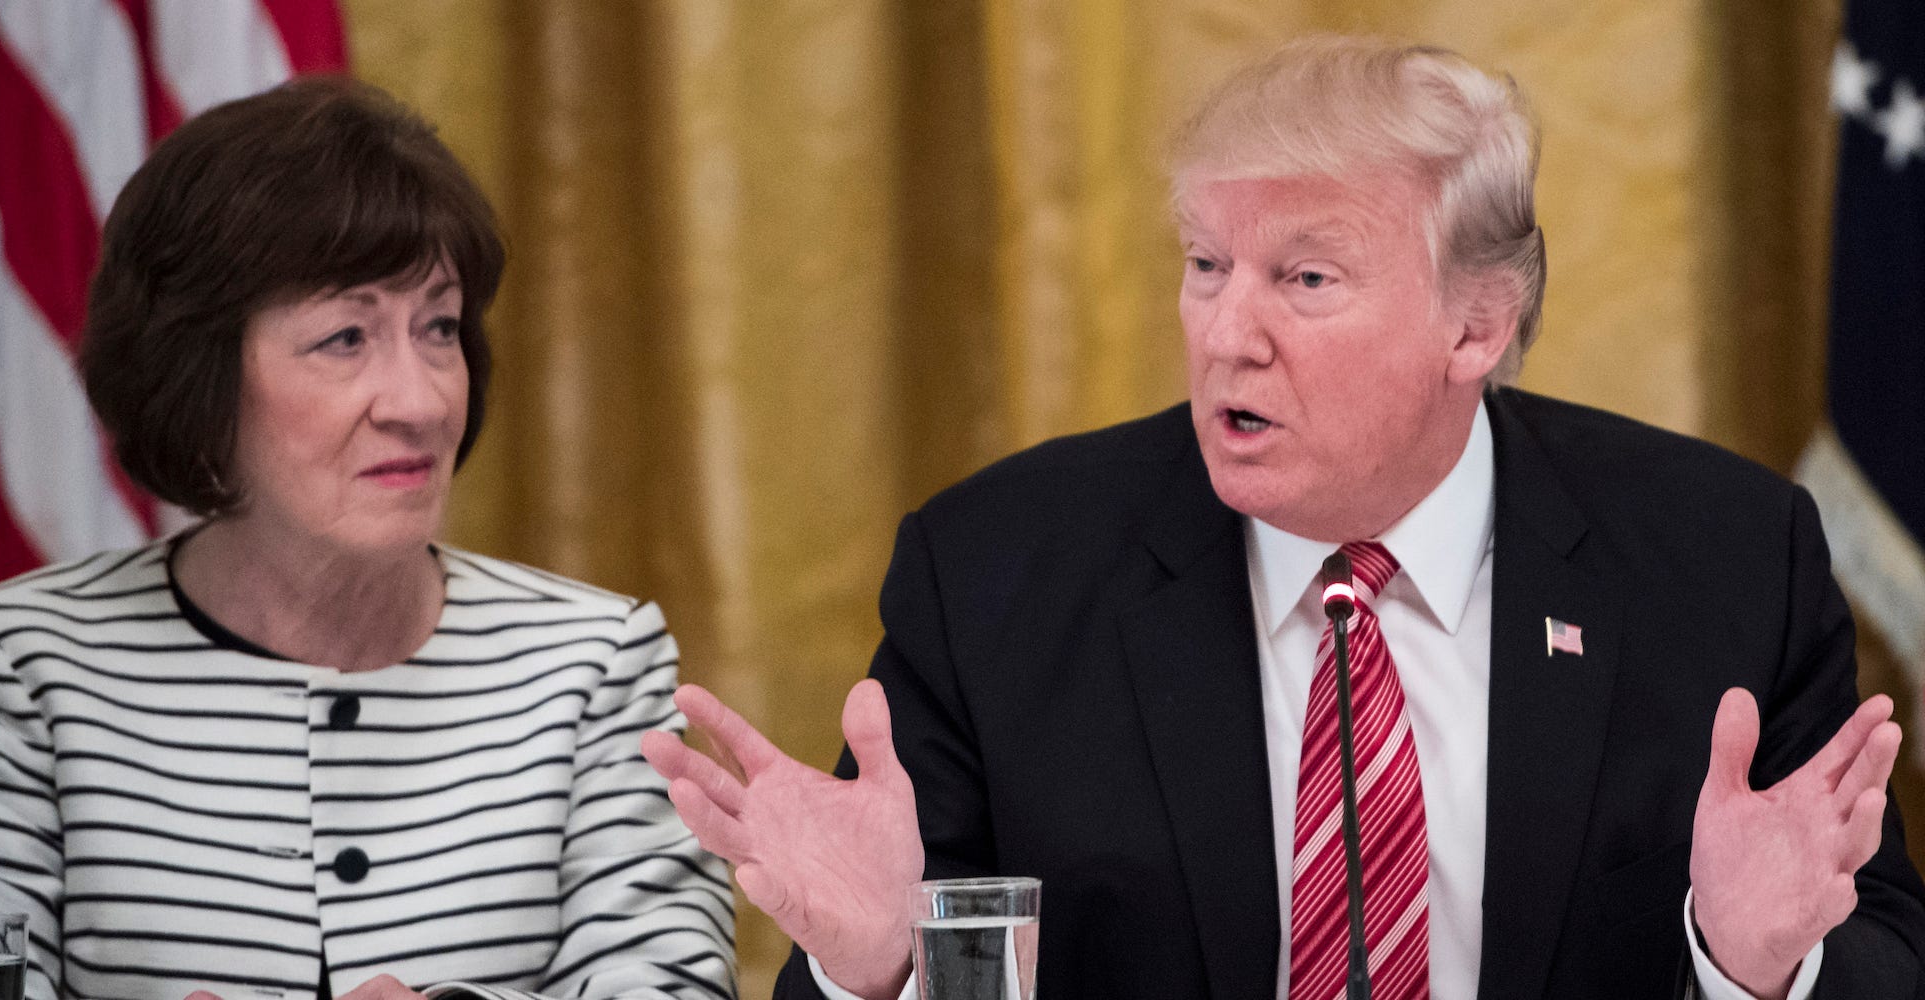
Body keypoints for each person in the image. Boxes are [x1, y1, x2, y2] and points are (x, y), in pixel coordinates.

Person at [642, 36, 1925, 1000]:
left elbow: (1882, 951)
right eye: (1206, 266)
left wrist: (1759, 967)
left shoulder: (1722, 557)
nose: (1224, 333)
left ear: (1475, 323)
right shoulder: (996, 571)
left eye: (1302, 278)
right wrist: (875, 972)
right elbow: (916, 952)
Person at [0, 78, 733, 1000]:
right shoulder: (22, 663)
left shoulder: (594, 661)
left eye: (438, 327)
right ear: (201, 381)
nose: (422, 401)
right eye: (346, 337)